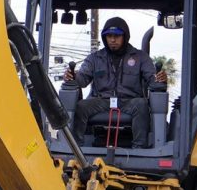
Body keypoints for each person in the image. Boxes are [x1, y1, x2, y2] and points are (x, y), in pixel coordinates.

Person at [64, 16, 167, 148]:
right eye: (109, 36)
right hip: (102, 100)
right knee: (81, 106)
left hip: (129, 101)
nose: (112, 40)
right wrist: (72, 76)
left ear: (125, 36)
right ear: (104, 37)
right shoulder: (95, 58)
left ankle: (138, 148)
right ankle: (77, 148)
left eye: (117, 36)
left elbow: (152, 80)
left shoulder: (140, 57)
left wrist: (160, 79)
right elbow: (82, 79)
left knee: (141, 104)